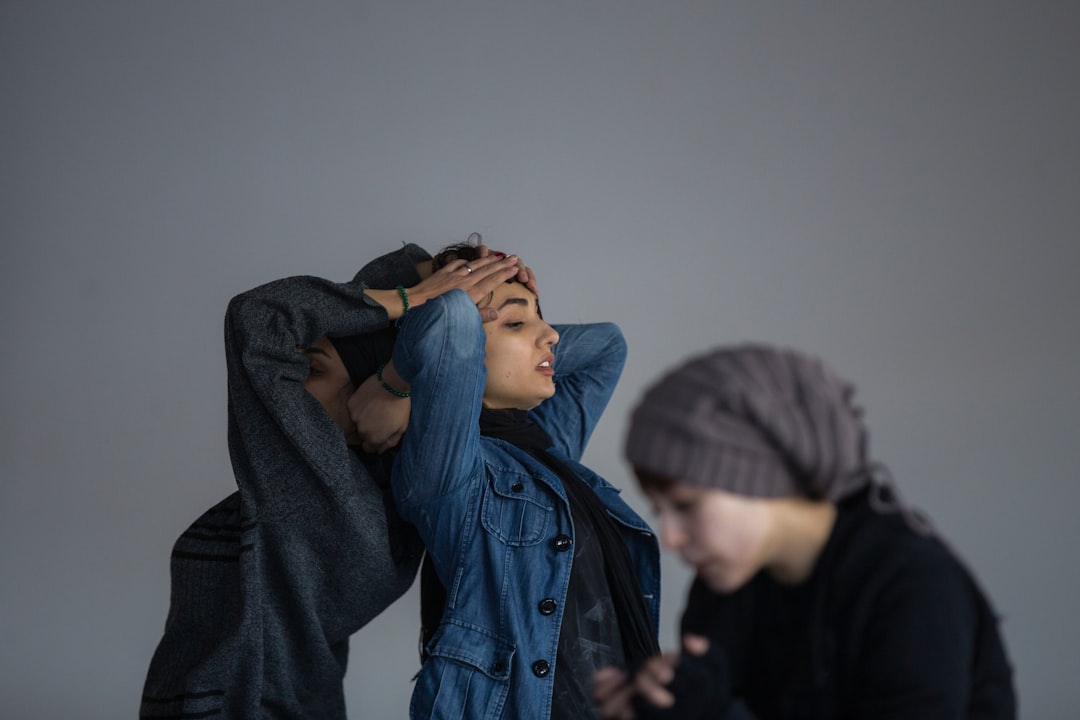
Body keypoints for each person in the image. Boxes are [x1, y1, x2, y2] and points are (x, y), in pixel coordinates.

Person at [139, 242, 526, 720]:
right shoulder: (368, 496)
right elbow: (600, 349)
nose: (291, 379)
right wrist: (431, 273)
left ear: (364, 388)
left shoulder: (322, 486)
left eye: (311, 367)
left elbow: (256, 317)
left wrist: (412, 299)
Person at [593, 344, 1016, 720]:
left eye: (686, 506)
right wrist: (656, 698)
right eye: (660, 511)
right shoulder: (724, 588)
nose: (669, 539)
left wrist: (713, 711)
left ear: (763, 479)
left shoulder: (912, 584)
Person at [355, 242, 661, 719]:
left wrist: (501, 279)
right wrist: (402, 371)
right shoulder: (448, 470)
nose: (552, 335)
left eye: (541, 319)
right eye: (516, 323)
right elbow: (452, 318)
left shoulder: (545, 451)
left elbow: (607, 345)